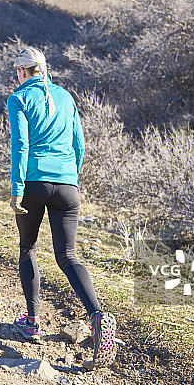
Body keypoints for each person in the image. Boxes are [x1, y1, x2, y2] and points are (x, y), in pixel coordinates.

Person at [7, 46, 117, 368]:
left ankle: (32, 322)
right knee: (68, 256)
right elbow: (79, 144)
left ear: (22, 71)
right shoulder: (66, 97)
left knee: (28, 248)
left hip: (33, 183)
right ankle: (98, 317)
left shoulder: (18, 98)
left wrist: (17, 189)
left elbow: (21, 145)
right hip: (68, 185)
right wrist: (70, 176)